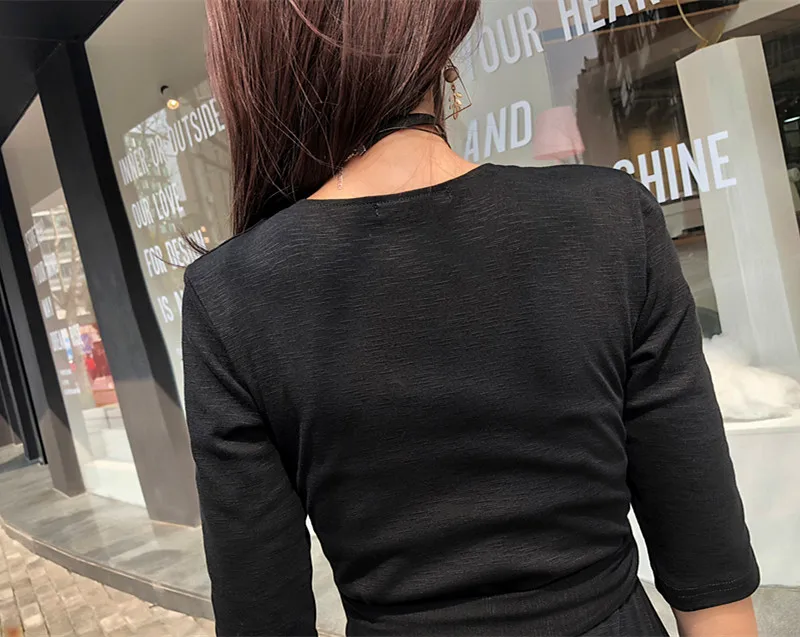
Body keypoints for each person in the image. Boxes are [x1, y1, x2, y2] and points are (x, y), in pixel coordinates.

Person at [182, 1, 760, 635]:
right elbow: (707, 558)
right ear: (443, 58)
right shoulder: (609, 219)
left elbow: (260, 609)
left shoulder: (230, 294)